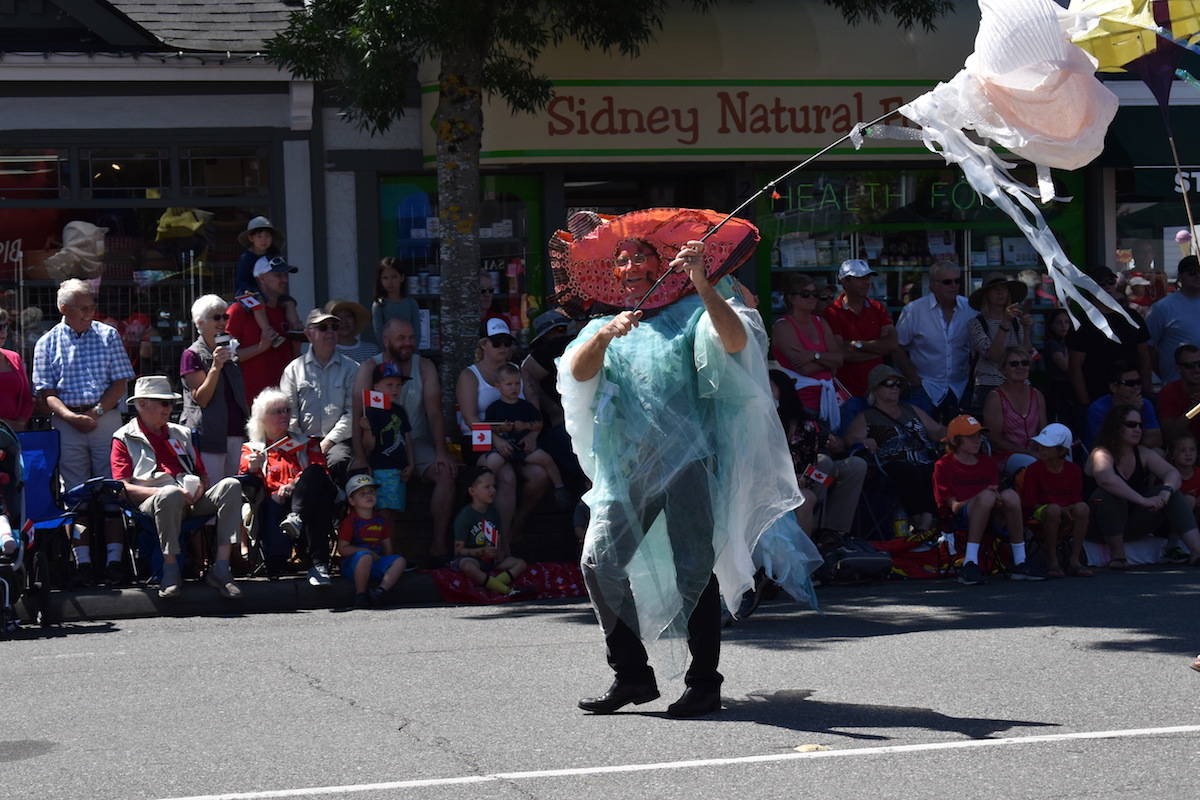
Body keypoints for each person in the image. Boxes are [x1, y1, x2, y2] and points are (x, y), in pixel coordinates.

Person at [559, 216, 797, 719]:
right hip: (627, 469)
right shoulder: (602, 324)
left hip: (690, 463)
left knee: (694, 572)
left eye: (640, 256)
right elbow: (577, 374)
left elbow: (734, 342)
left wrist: (703, 284)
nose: (631, 265)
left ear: (659, 263)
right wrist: (605, 337)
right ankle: (632, 676)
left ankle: (703, 683)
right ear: (613, 272)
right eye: (621, 259)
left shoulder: (692, 312)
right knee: (598, 565)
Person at [33, 278, 135, 584]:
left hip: (103, 417)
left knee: (111, 489)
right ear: (64, 308)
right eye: (84, 307)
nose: (91, 312)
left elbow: (120, 382)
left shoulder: (108, 335)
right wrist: (69, 416)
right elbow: (46, 391)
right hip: (67, 420)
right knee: (75, 495)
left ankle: (115, 561)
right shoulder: (47, 342)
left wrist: (96, 412)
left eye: (92, 306)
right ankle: (83, 563)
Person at [111, 376, 243, 600]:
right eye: (163, 403)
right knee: (170, 493)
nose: (169, 408)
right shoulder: (123, 437)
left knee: (232, 485)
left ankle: (221, 567)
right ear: (142, 404)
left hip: (188, 498)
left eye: (171, 403)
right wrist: (161, 492)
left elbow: (202, 474)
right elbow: (122, 487)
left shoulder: (180, 433)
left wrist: (199, 488)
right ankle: (170, 569)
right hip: (151, 501)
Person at [353, 318, 457, 560]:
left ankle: (438, 546)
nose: (408, 343)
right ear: (386, 340)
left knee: (446, 474)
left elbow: (434, 411)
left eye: (411, 338)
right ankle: (382, 553)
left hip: (415, 441)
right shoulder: (369, 367)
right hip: (377, 445)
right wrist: (359, 456)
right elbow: (358, 414)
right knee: (380, 497)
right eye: (401, 338)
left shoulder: (425, 366)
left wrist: (441, 451)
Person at [456, 318, 550, 540]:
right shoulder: (470, 375)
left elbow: (536, 415)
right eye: (497, 342)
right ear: (483, 345)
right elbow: (470, 419)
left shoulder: (520, 373)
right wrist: (496, 440)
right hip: (480, 441)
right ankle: (499, 543)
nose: (504, 348)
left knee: (540, 476)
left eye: (508, 342)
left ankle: (513, 526)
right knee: (506, 477)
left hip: (517, 441)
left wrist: (533, 435)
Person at [239, 387, 338, 583]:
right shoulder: (252, 449)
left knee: (315, 474)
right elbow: (246, 483)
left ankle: (299, 521)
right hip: (274, 501)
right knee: (311, 499)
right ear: (262, 418)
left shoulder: (306, 443)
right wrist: (253, 468)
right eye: (277, 411)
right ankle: (318, 564)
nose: (284, 415)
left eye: (287, 410)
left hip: (306, 497)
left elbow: (321, 472)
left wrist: (294, 484)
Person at [1085, 404, 1200, 568]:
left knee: (1172, 493)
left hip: (1131, 523)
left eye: (1140, 425)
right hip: (1098, 526)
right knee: (1106, 495)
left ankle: (1197, 552)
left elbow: (1172, 473)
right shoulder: (1101, 453)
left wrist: (1165, 493)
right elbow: (1107, 480)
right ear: (1116, 427)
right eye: (1131, 425)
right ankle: (1118, 556)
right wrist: (1142, 500)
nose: (1137, 429)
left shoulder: (1143, 453)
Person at [933, 414, 1043, 585]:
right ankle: (970, 562)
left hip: (992, 513)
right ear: (955, 440)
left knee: (1010, 495)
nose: (977, 440)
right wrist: (980, 497)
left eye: (978, 436)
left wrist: (995, 498)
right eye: (971, 437)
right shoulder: (943, 465)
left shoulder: (987, 462)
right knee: (985, 497)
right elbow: (953, 507)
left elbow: (995, 494)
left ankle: (1020, 561)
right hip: (961, 517)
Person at [845, 364, 945, 537]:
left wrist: (960, 430)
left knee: (936, 468)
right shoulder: (867, 416)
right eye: (889, 383)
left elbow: (936, 431)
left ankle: (925, 523)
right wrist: (863, 441)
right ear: (875, 389)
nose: (895, 387)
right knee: (906, 470)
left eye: (898, 384)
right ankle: (920, 522)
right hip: (889, 465)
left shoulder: (912, 409)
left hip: (923, 458)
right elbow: (849, 440)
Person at [280, 308, 358, 488]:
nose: (330, 331)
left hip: (338, 441)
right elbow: (288, 413)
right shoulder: (293, 369)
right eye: (323, 327)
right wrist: (302, 445)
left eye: (334, 327)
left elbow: (352, 412)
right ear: (308, 334)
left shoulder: (352, 368)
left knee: (339, 461)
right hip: (301, 439)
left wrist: (328, 442)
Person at [180, 294, 249, 481]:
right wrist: (216, 367)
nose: (222, 321)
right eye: (216, 317)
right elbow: (201, 398)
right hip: (209, 436)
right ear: (200, 323)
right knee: (214, 491)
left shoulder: (228, 349)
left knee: (236, 489)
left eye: (225, 316)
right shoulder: (192, 355)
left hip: (236, 430)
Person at [894, 261, 974, 423]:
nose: (954, 286)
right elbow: (897, 347)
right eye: (947, 282)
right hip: (925, 386)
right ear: (933, 285)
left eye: (957, 281)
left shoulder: (970, 309)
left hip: (960, 387)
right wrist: (913, 379)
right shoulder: (914, 310)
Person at [483, 362, 571, 508]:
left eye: (517, 383)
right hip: (503, 447)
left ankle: (560, 488)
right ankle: (484, 488)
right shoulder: (494, 408)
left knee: (545, 458)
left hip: (523, 447)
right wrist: (501, 428)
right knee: (492, 462)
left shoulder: (526, 406)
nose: (514, 388)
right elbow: (487, 428)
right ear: (498, 386)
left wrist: (525, 426)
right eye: (509, 384)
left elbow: (538, 423)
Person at [1068, 266, 1152, 406]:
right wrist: (1085, 403)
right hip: (1097, 395)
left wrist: (1148, 392)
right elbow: (1075, 367)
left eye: (1111, 282)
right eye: (1101, 284)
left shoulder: (1132, 316)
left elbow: (1145, 358)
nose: (1107, 287)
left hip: (1133, 393)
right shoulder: (1082, 321)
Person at [226, 255, 301, 407]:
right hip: (248, 405)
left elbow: (294, 357)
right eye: (278, 275)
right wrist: (260, 347)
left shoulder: (287, 310)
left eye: (285, 275)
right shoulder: (239, 310)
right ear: (261, 278)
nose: (284, 280)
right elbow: (226, 356)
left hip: (282, 404)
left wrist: (297, 334)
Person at [521, 308, 583, 489]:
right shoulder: (543, 353)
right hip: (554, 428)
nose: (559, 335)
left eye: (563, 330)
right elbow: (526, 370)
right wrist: (551, 409)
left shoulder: (571, 346)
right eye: (555, 332)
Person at [1019, 423, 1091, 578]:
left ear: (1062, 450)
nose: (1042, 448)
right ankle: (1052, 561)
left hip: (1067, 509)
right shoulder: (1033, 469)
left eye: (1047, 445)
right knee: (1053, 510)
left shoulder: (1074, 470)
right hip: (1041, 512)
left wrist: (1066, 509)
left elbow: (1076, 498)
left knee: (1083, 508)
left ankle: (1075, 560)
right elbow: (1029, 502)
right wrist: (1058, 508)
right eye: (1041, 445)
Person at [770, 272, 844, 414]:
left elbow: (839, 360)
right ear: (791, 298)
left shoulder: (821, 322)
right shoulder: (783, 327)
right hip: (800, 403)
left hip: (828, 401)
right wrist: (828, 362)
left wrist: (814, 355)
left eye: (814, 294)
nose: (812, 298)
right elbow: (803, 368)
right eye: (805, 294)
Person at [823, 259, 897, 399]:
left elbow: (892, 344)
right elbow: (841, 354)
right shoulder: (832, 312)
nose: (867, 282)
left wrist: (856, 345)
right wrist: (878, 351)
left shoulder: (878, 308)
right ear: (845, 281)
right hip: (845, 390)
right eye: (860, 278)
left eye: (868, 277)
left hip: (877, 391)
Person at [359, 362, 414, 543]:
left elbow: (407, 438)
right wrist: (367, 430)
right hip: (381, 469)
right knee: (382, 513)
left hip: (400, 470)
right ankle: (381, 550)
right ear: (376, 387)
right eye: (389, 385)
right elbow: (369, 447)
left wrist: (411, 463)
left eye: (398, 385)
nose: (395, 389)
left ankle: (390, 550)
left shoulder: (400, 410)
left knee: (394, 514)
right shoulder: (372, 411)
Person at [451, 466, 527, 596]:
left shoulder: (493, 513)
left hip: (490, 560)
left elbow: (498, 537)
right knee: (467, 566)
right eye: (487, 487)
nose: (492, 490)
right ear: (472, 491)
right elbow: (458, 550)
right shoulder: (465, 516)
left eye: (494, 486)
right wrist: (480, 551)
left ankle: (493, 585)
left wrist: (499, 552)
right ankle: (506, 590)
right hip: (472, 558)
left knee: (520, 564)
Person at [337, 474, 407, 608]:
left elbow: (388, 549)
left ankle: (380, 591)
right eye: (362, 494)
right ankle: (361, 595)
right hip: (353, 565)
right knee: (365, 557)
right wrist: (365, 551)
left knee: (399, 560)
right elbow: (343, 549)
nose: (369, 496)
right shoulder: (350, 521)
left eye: (371, 492)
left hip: (375, 562)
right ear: (352, 501)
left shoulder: (381, 520)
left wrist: (386, 561)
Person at [967, 273, 1033, 412]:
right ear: (986, 295)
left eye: (1004, 288)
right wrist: (1005, 323)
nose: (1000, 292)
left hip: (1019, 384)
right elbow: (994, 356)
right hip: (989, 385)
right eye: (994, 289)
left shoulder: (1016, 322)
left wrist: (1026, 329)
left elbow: (1026, 356)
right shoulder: (976, 323)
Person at [233, 217, 302, 349]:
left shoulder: (274, 254)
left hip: (270, 293)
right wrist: (250, 291)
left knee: (289, 302)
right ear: (251, 238)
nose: (264, 240)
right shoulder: (246, 258)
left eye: (267, 236)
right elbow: (242, 281)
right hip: (246, 292)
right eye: (259, 236)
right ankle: (269, 332)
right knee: (257, 302)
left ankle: (296, 329)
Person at [981, 347, 1046, 476]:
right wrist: (1028, 453)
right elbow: (995, 439)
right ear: (1003, 369)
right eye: (1014, 364)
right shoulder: (996, 397)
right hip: (1006, 455)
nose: (1020, 367)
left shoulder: (1037, 394)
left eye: (1025, 363)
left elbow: (1044, 431)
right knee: (1035, 466)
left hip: (1036, 452)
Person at [1085, 361, 1162, 450]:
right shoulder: (1098, 409)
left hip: (1137, 452)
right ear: (1113, 387)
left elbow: (1156, 440)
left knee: (1158, 452)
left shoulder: (1145, 404)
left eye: (1138, 382)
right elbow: (1107, 444)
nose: (1136, 387)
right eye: (1130, 383)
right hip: (1107, 456)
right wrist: (1130, 411)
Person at [1147, 255, 1200, 383]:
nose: (1198, 276)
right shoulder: (1162, 307)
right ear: (1181, 276)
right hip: (1177, 387)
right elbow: (1148, 349)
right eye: (1192, 272)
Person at [1164, 434, 1200, 565]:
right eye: (1182, 450)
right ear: (1172, 454)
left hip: (1195, 517)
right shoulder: (1168, 474)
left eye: (1192, 450)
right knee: (1188, 501)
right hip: (1169, 522)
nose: (1188, 454)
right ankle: (1172, 545)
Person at [1154, 344, 1200, 443]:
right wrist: (1195, 409)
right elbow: (1170, 435)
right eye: (1189, 366)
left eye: (1199, 364)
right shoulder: (1169, 392)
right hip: (1184, 452)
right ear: (1178, 369)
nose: (1197, 370)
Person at [370, 257, 421, 346]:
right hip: (388, 353)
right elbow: (379, 334)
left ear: (402, 277)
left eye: (394, 277)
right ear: (380, 280)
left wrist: (413, 352)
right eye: (385, 278)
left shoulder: (411, 303)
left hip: (409, 350)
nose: (390, 282)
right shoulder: (379, 305)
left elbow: (417, 331)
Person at [1040, 308, 1075, 426]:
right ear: (1051, 325)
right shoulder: (1052, 344)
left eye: (1066, 322)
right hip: (1057, 391)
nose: (1063, 326)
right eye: (1059, 322)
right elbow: (1065, 366)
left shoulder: (1064, 342)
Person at [0, 307, 32, 431]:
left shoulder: (14, 357)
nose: (3, 332)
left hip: (13, 435)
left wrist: (20, 422)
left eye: (5, 326)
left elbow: (26, 398)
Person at [325, 299, 381, 365]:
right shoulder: (327, 352)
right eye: (338, 318)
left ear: (355, 320)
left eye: (348, 316)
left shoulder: (372, 350)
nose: (344, 322)